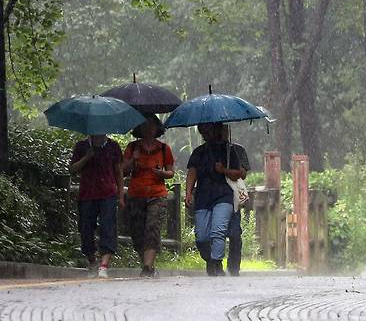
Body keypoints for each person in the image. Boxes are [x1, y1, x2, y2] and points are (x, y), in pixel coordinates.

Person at [185, 122, 242, 276]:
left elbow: (240, 173)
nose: (207, 133)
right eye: (204, 130)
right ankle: (210, 259)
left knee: (218, 230)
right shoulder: (199, 152)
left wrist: (223, 170)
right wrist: (188, 192)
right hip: (203, 196)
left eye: (210, 129)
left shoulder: (230, 151)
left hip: (224, 195)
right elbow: (192, 172)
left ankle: (216, 263)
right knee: (202, 236)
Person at [122, 114, 175, 277]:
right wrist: (133, 160)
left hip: (157, 194)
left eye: (151, 125)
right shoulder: (132, 148)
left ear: (157, 128)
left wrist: (162, 173)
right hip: (136, 194)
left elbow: (171, 172)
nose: (148, 128)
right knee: (137, 232)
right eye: (144, 125)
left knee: (152, 227)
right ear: (139, 128)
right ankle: (148, 264)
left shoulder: (164, 149)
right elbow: (123, 170)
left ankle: (147, 267)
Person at [69, 133, 124, 278]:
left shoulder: (113, 147)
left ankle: (104, 265)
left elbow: (118, 171)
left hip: (108, 194)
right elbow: (72, 169)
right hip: (87, 194)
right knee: (85, 228)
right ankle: (92, 261)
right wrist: (86, 157)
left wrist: (121, 195)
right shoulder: (82, 146)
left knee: (108, 227)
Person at [219, 124, 250, 276]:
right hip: (215, 196)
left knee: (234, 233)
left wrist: (226, 170)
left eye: (224, 130)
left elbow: (243, 174)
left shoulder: (237, 150)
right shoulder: (207, 151)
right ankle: (215, 263)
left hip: (233, 197)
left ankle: (233, 267)